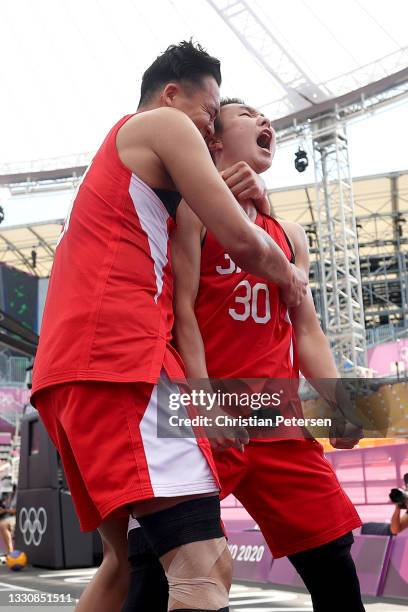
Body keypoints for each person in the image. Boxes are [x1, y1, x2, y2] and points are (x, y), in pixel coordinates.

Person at [30, 42, 308, 612]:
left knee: (120, 569)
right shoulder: (159, 124)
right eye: (211, 116)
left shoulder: (125, 178)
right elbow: (240, 239)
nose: (209, 135)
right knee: (203, 562)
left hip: (67, 374)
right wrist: (294, 276)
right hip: (119, 362)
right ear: (171, 94)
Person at [125, 99, 365, 612]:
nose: (265, 121)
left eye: (266, 117)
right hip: (198, 410)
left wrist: (340, 404)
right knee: (155, 571)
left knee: (334, 563)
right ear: (212, 141)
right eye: (247, 114)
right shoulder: (191, 210)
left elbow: (308, 329)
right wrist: (206, 408)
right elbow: (182, 315)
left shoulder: (291, 234)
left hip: (275, 414)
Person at [0, 485, 16, 554]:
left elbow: (17, 510)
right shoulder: (5, 492)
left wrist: (5, 511)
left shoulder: (19, 492)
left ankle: (11, 553)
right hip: (5, 516)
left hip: (15, 517)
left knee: (3, 525)